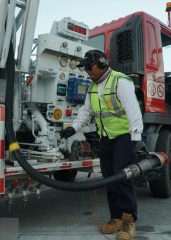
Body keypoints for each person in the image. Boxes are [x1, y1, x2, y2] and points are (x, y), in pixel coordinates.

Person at [60, 49, 143, 240]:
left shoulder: (120, 81)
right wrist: (73, 128)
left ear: (102, 63)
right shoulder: (93, 87)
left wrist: (135, 140)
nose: (87, 71)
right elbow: (86, 111)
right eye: (85, 69)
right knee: (109, 178)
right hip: (106, 138)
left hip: (124, 137)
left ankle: (129, 221)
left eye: (89, 67)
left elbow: (133, 112)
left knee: (122, 177)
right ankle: (116, 218)